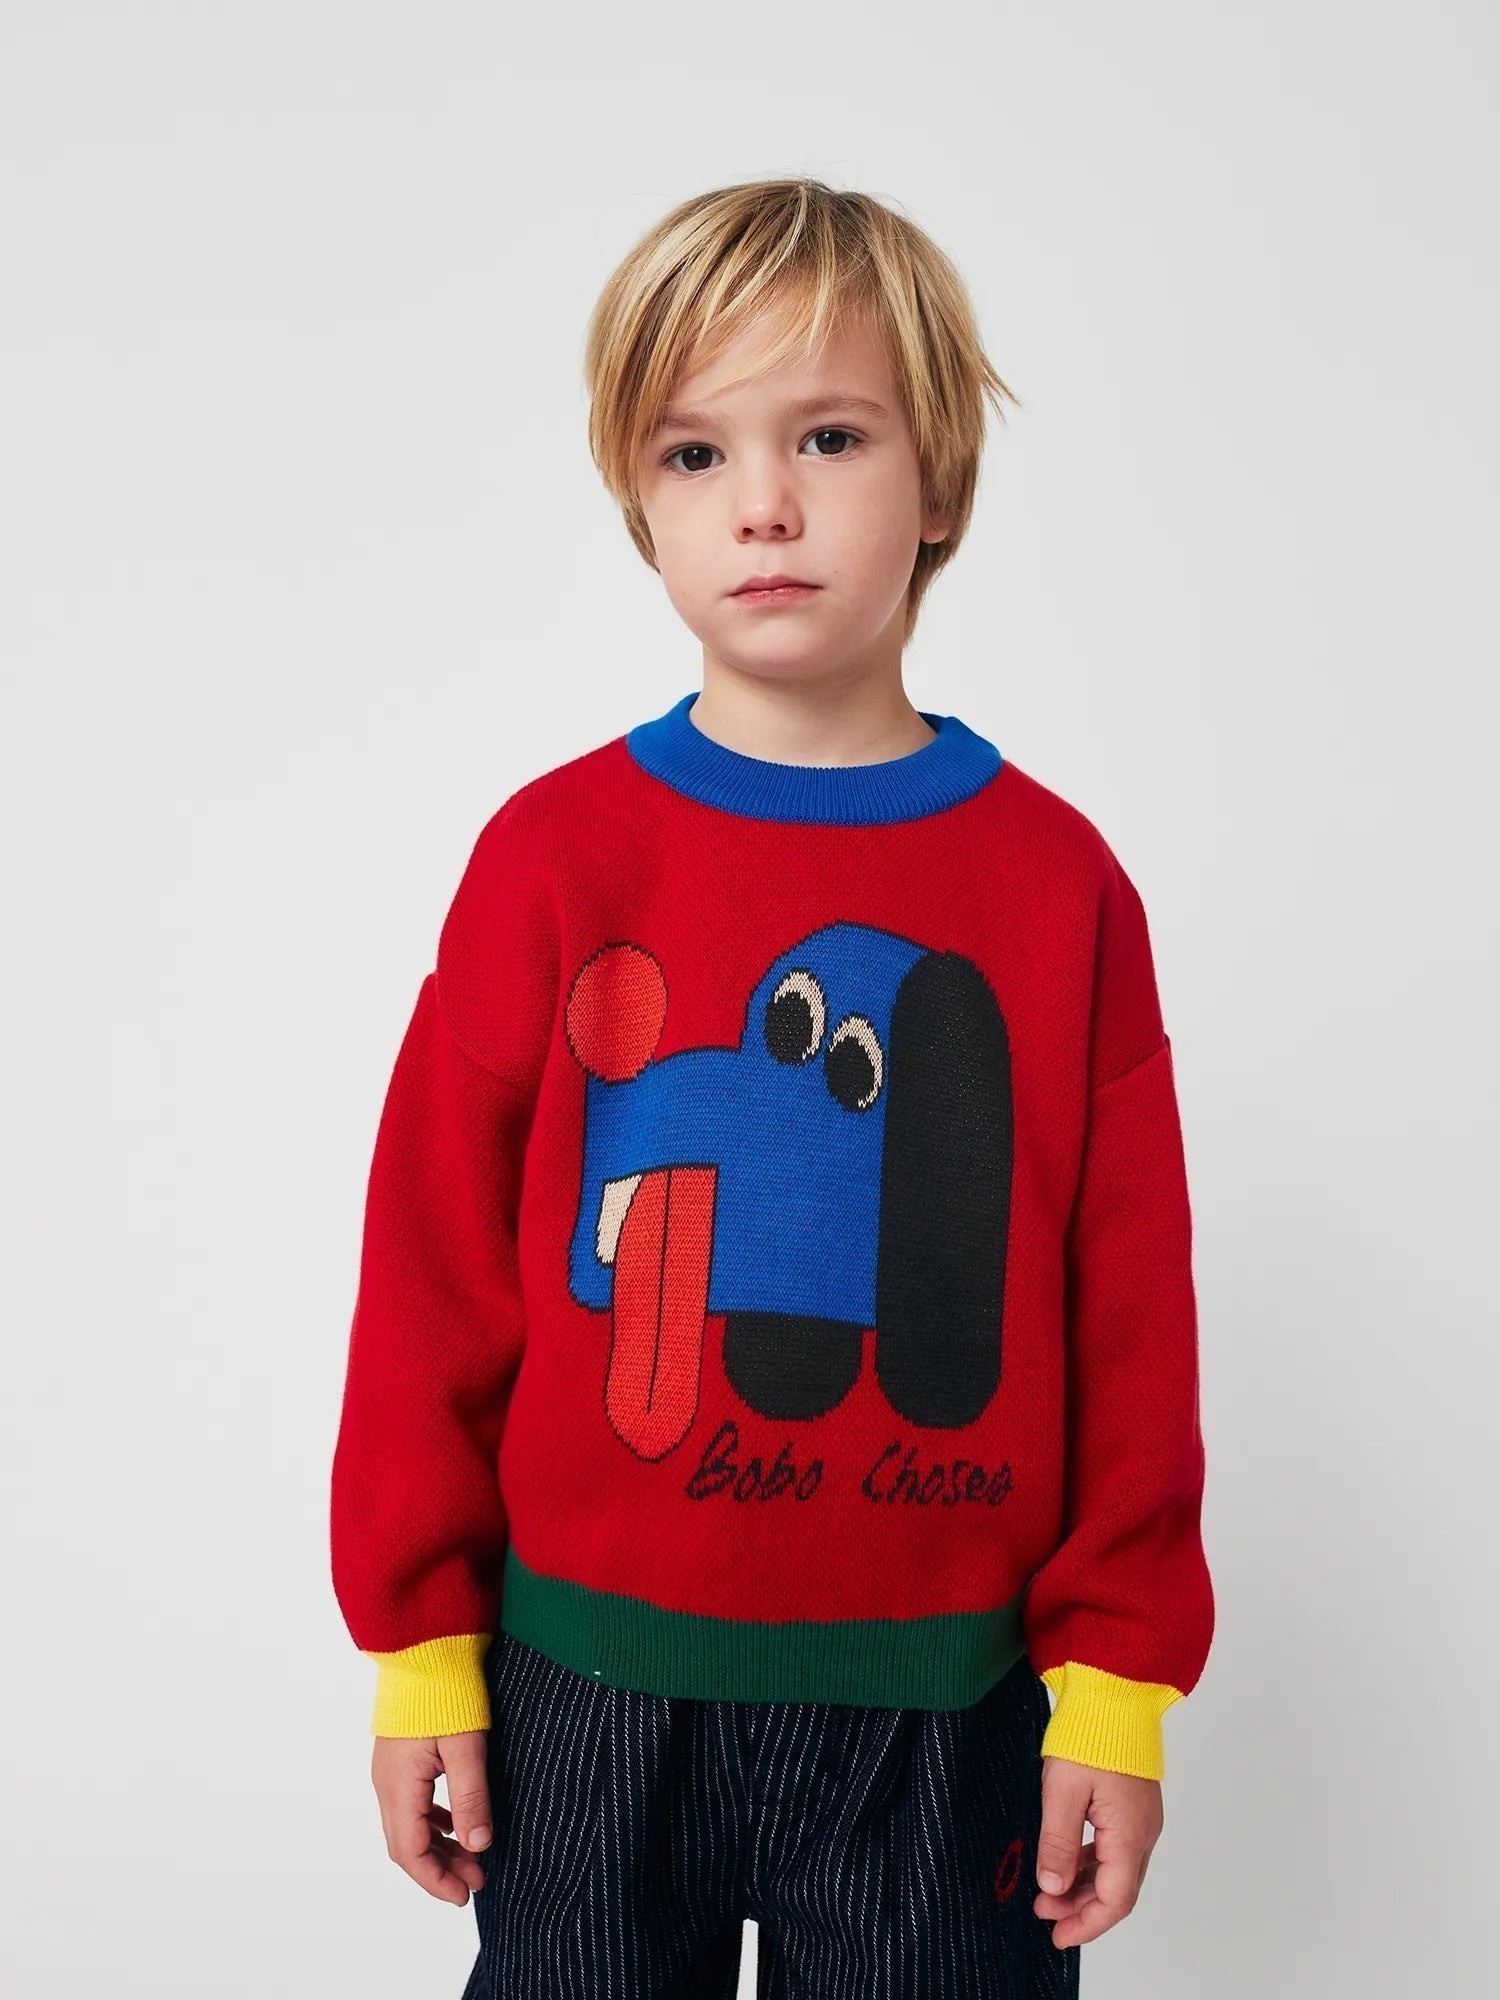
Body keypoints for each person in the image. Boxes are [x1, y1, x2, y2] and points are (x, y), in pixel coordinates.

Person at [329, 176, 1214, 1999]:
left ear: (939, 478)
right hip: (586, 1686)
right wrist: (420, 1650)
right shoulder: (552, 859)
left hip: (948, 1707)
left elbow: (1130, 1313)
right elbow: (433, 1275)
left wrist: (1116, 1686)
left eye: (828, 435)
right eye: (694, 452)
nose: (765, 504)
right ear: (640, 504)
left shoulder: (1056, 888)